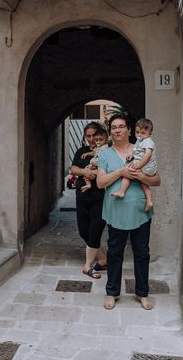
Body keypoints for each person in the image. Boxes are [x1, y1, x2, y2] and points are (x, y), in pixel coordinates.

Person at [97, 113, 161, 311]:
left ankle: (142, 293)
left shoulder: (141, 149)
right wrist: (120, 172)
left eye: (121, 126)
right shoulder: (105, 154)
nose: (117, 130)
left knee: (142, 253)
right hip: (116, 212)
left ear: (129, 130)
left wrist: (141, 175)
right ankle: (112, 292)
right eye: (114, 127)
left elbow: (156, 180)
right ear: (110, 131)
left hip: (141, 211)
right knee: (115, 252)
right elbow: (100, 183)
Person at [69, 122, 109, 279]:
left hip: (100, 198)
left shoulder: (106, 151)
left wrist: (96, 173)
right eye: (88, 136)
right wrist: (84, 171)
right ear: (85, 137)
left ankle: (88, 266)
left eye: (94, 135)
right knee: (84, 231)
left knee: (95, 230)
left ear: (100, 136)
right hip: (82, 197)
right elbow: (72, 169)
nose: (91, 139)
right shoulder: (82, 151)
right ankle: (103, 259)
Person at [110, 118, 157, 212]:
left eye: (143, 133)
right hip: (146, 166)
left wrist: (139, 165)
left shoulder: (148, 141)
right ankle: (149, 202)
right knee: (144, 184)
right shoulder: (140, 141)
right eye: (137, 132)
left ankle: (121, 191)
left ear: (150, 134)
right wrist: (132, 155)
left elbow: (147, 154)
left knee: (126, 172)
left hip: (146, 166)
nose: (139, 135)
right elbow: (137, 150)